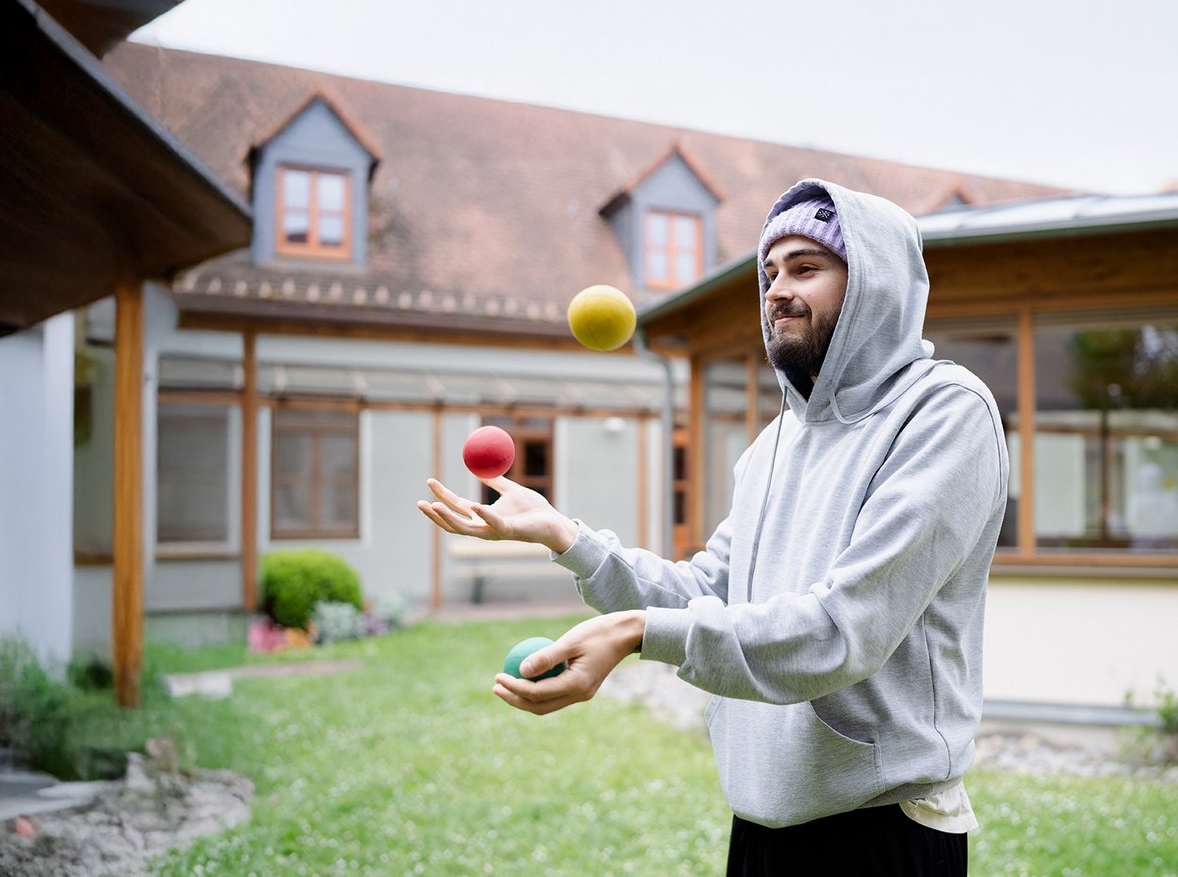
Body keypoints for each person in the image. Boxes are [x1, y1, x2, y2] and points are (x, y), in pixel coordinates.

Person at [418, 178, 1008, 875]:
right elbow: (706, 589)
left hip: (881, 830)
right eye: (769, 272)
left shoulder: (944, 413)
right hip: (762, 822)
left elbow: (845, 629)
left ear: (875, 283)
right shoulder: (773, 445)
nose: (777, 290)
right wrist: (566, 538)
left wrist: (636, 633)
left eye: (806, 268)